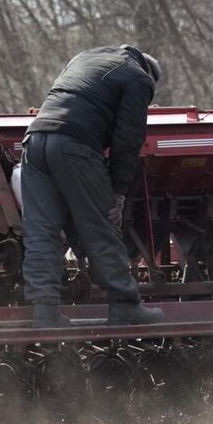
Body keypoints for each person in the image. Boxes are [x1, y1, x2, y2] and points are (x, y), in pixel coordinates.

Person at [20, 45, 165, 326]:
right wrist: (118, 193)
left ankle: (45, 310)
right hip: (75, 146)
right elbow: (127, 140)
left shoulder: (84, 57)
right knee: (100, 224)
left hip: (34, 142)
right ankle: (124, 305)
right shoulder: (139, 79)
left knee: (41, 231)